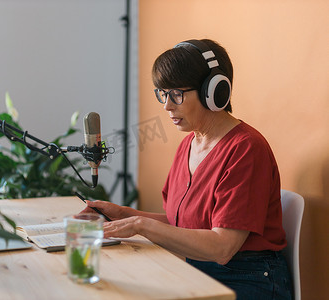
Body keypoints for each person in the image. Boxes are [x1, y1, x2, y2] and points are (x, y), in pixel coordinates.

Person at [82, 39, 293, 299]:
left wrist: (141, 225)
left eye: (177, 94)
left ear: (214, 92)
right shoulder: (188, 144)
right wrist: (123, 214)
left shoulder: (246, 148)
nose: (167, 105)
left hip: (247, 279)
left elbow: (222, 247)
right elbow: (182, 224)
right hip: (198, 269)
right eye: (162, 93)